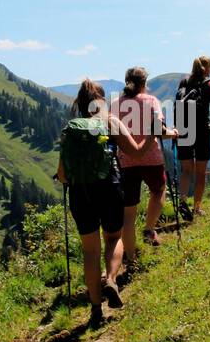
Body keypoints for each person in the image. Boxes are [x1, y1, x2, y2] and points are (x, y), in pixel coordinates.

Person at [57, 78, 149, 328]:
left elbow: (63, 175)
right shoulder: (110, 122)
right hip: (110, 187)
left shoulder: (71, 130)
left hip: (80, 193)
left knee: (90, 250)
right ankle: (111, 279)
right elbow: (137, 152)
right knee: (113, 238)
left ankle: (95, 310)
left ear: (80, 103)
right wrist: (152, 132)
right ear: (101, 101)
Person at [117, 67, 177, 266]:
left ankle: (130, 256)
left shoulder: (116, 105)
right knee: (159, 190)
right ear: (144, 83)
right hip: (152, 158)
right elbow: (158, 129)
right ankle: (149, 229)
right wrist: (173, 133)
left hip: (126, 160)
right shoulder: (152, 101)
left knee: (128, 211)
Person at [175, 56, 210, 219]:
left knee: (186, 170)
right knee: (201, 172)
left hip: (183, 128)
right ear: (207, 68)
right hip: (202, 129)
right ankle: (196, 208)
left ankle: (182, 201)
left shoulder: (184, 82)